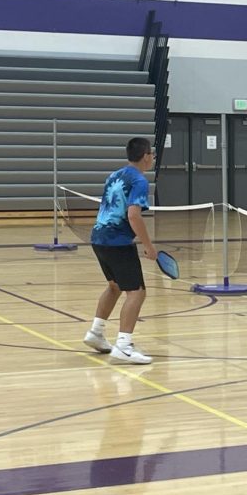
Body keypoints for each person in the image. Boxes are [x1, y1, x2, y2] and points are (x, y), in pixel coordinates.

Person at [82, 137, 157, 364]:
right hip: (117, 241)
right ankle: (124, 346)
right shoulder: (140, 181)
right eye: (151, 154)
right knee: (137, 292)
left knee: (114, 287)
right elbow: (133, 215)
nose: (153, 157)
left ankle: (96, 333)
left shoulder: (114, 175)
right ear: (145, 156)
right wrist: (148, 245)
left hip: (98, 238)